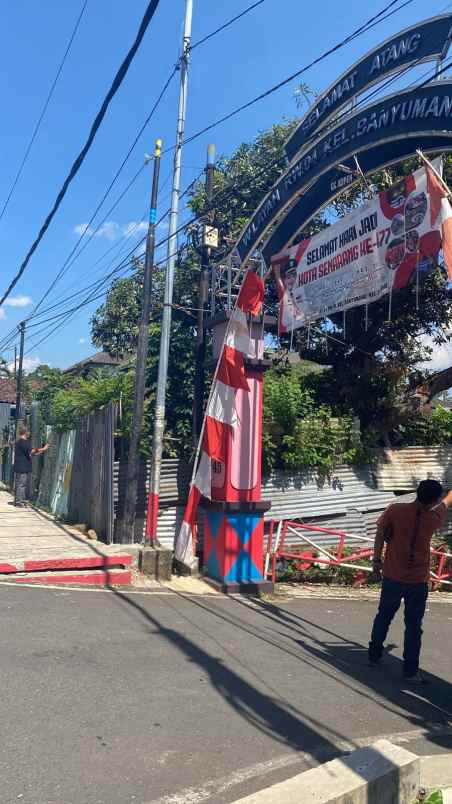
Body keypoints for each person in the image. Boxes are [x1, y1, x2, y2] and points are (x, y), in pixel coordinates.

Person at [368, 479, 452, 683]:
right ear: (433, 500)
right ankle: (410, 671)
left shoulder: (395, 510)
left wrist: (377, 561)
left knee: (384, 616)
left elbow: (380, 534)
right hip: (417, 581)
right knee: (414, 626)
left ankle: (374, 654)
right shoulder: (434, 518)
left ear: (417, 492)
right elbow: (447, 501)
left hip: (392, 575)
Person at [13, 427, 49, 506]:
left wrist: (41, 451)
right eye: (28, 432)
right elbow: (32, 451)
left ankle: (19, 500)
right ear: (25, 432)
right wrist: (43, 448)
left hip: (19, 466)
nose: (29, 433)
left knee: (20, 484)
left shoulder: (18, 442)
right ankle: (19, 502)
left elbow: (29, 453)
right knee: (21, 484)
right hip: (22, 466)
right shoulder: (24, 442)